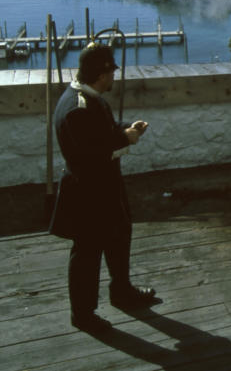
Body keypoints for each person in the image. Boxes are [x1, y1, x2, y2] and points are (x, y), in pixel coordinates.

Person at [49, 43, 157, 334]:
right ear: (101, 74)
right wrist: (126, 139)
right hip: (88, 191)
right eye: (111, 73)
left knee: (119, 235)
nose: (114, 79)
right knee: (87, 251)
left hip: (105, 186)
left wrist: (126, 129)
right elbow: (93, 151)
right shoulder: (77, 108)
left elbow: (102, 129)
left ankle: (121, 291)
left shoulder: (87, 96)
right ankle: (82, 315)